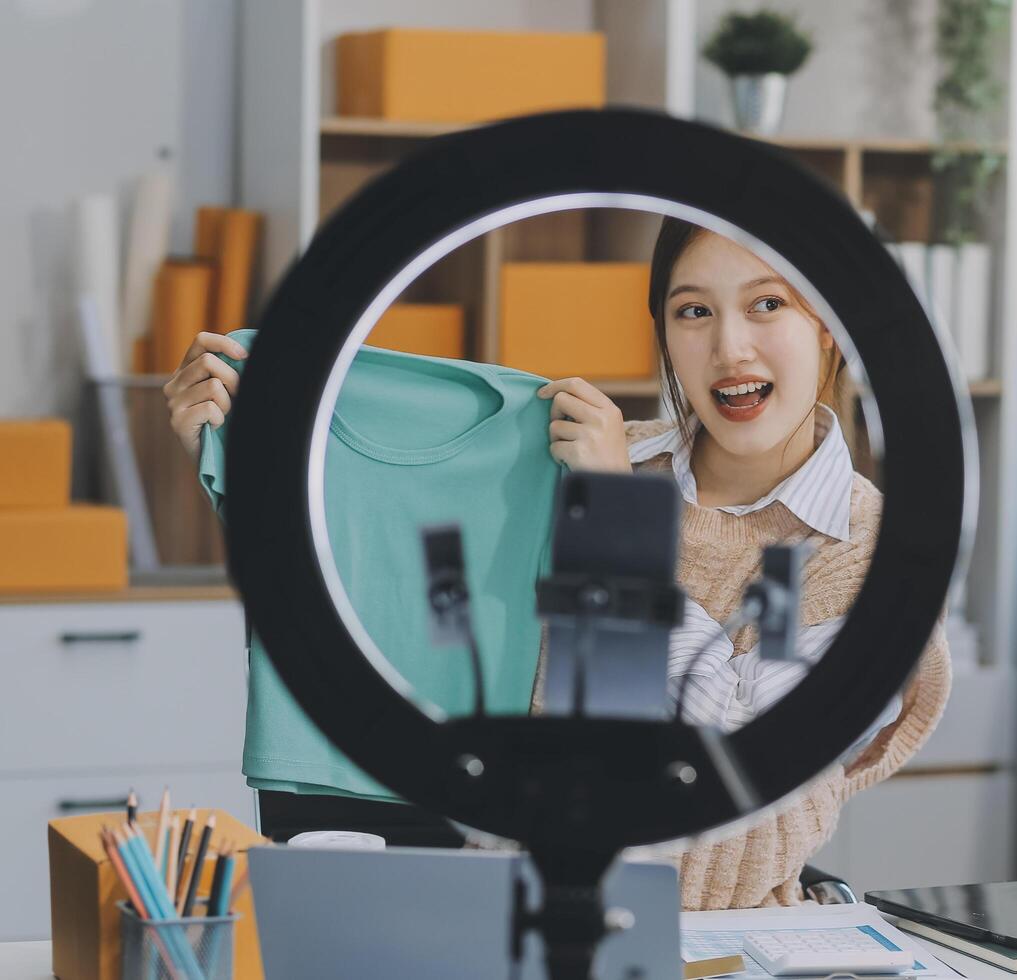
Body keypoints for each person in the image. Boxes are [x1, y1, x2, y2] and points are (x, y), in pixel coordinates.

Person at [163, 216, 951, 910]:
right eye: (693, 311)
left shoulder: (869, 552)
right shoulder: (581, 453)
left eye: (767, 303)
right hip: (483, 911)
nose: (729, 347)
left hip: (710, 942)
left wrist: (617, 519)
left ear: (829, 324)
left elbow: (718, 791)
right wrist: (247, 451)